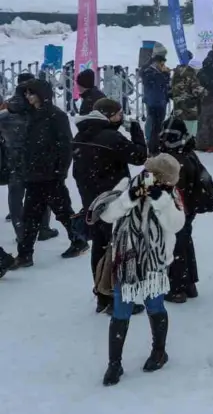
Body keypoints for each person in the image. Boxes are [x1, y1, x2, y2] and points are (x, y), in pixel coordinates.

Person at [94, 154, 186, 387]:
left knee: (155, 306)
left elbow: (176, 224)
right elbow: (106, 214)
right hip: (126, 261)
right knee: (120, 310)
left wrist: (160, 200)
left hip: (155, 263)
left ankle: (159, 351)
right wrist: (130, 198)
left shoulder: (170, 195)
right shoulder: (127, 184)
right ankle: (114, 363)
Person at [73, 98, 148, 313]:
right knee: (117, 249)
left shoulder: (82, 134)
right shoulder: (111, 137)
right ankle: (115, 297)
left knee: (100, 245)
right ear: (110, 116)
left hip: (92, 201)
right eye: (119, 114)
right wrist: (136, 131)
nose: (121, 117)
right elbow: (140, 156)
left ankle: (101, 294)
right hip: (112, 199)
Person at [10, 79, 84, 269]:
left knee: (63, 212)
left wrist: (61, 170)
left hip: (51, 175)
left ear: (42, 94)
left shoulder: (56, 116)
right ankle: (25, 254)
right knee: (30, 216)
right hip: (34, 175)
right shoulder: (31, 114)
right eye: (26, 93)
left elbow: (66, 145)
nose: (28, 97)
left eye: (31, 93)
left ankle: (79, 240)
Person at [159, 117, 212, 303]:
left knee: (174, 246)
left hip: (174, 209)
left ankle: (176, 288)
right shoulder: (188, 154)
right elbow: (204, 178)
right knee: (184, 242)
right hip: (189, 208)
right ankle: (189, 284)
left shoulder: (168, 160)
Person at [0, 75, 58, 242]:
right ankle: (44, 228)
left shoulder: (5, 116)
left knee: (15, 196)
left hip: (14, 161)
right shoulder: (39, 115)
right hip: (36, 161)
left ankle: (21, 232)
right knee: (41, 194)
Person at [141, 53, 172, 154]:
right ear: (156, 63)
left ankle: (154, 145)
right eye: (162, 64)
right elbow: (160, 83)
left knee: (157, 126)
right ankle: (153, 148)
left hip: (159, 101)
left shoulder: (154, 72)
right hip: (155, 102)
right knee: (155, 127)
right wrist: (165, 74)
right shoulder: (149, 72)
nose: (163, 66)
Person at [170, 51, 205, 137]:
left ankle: (179, 146)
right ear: (196, 68)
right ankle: (188, 145)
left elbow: (172, 88)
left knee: (179, 131)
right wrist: (204, 91)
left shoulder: (177, 73)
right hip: (189, 109)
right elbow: (197, 91)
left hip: (178, 107)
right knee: (190, 132)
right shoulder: (192, 76)